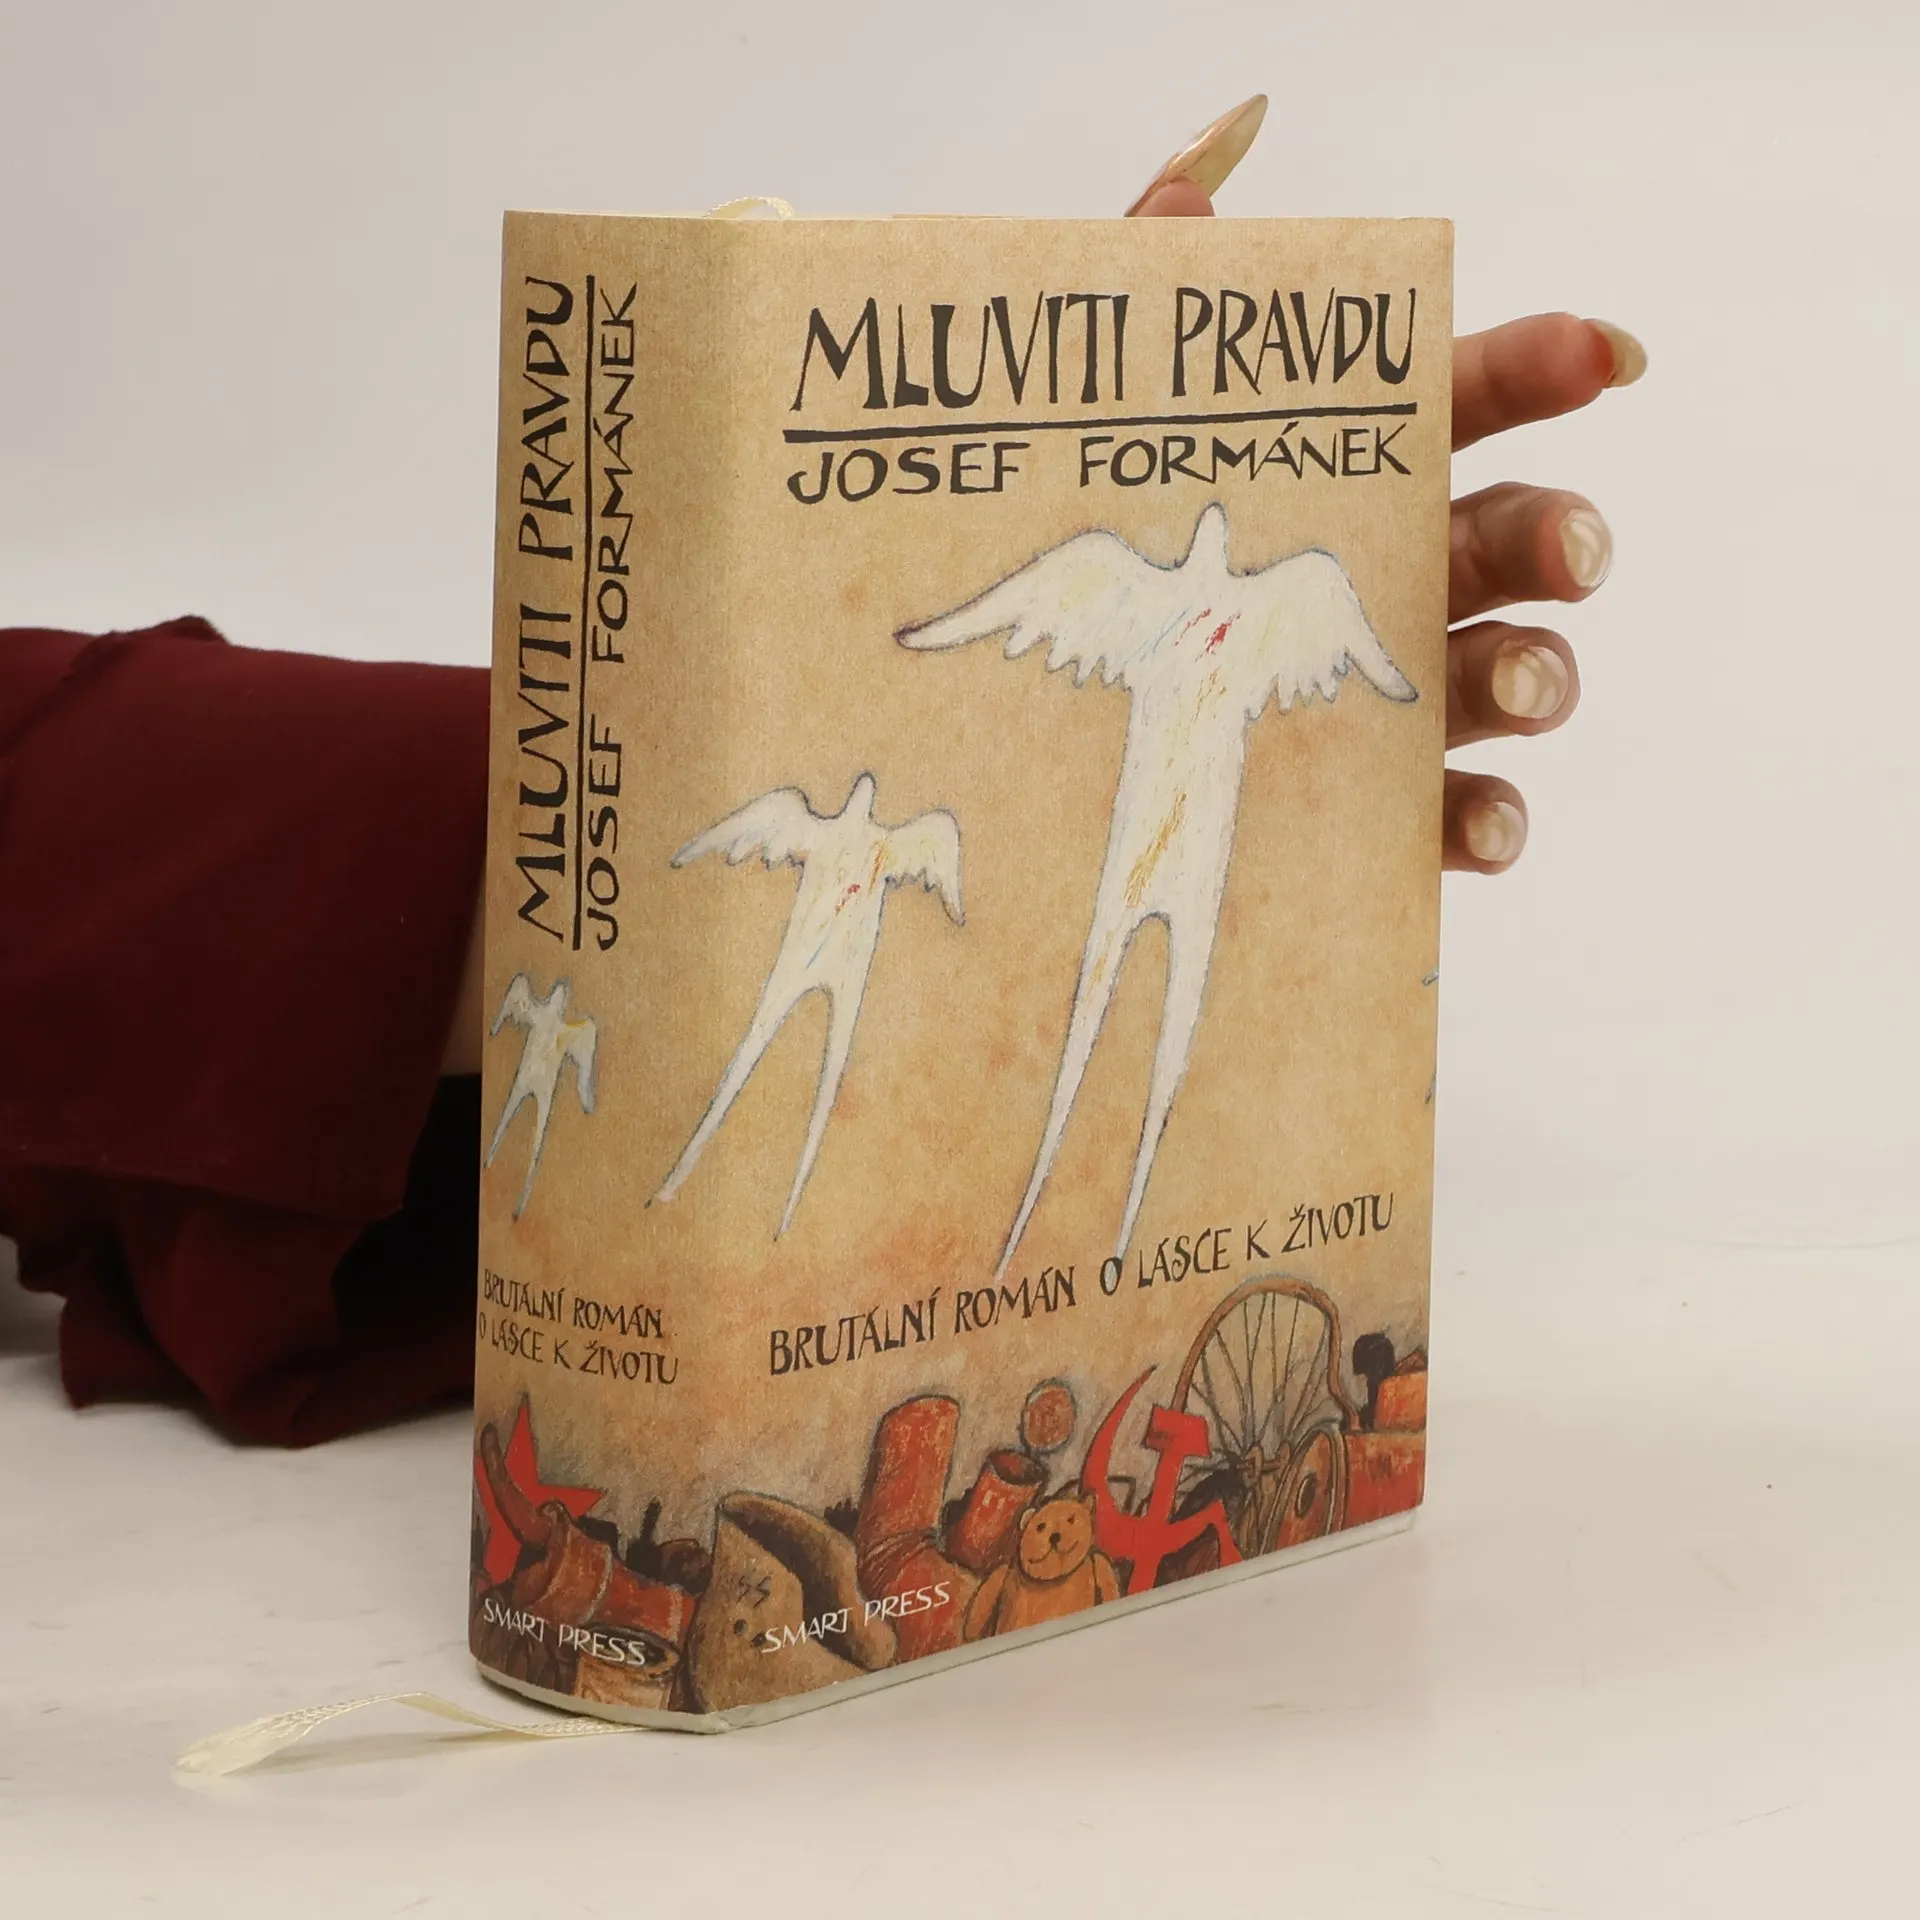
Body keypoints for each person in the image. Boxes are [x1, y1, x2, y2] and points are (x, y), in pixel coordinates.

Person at [0, 166, 1642, 1445]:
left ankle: (1076, 1212)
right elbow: (997, 627)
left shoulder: (1244, 598)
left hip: (344, 876)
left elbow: (1339, 659)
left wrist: (642, 783)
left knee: (1126, 1023)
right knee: (1069, 1021)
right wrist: (661, 797)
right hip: (367, 883)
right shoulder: (1123, 592)